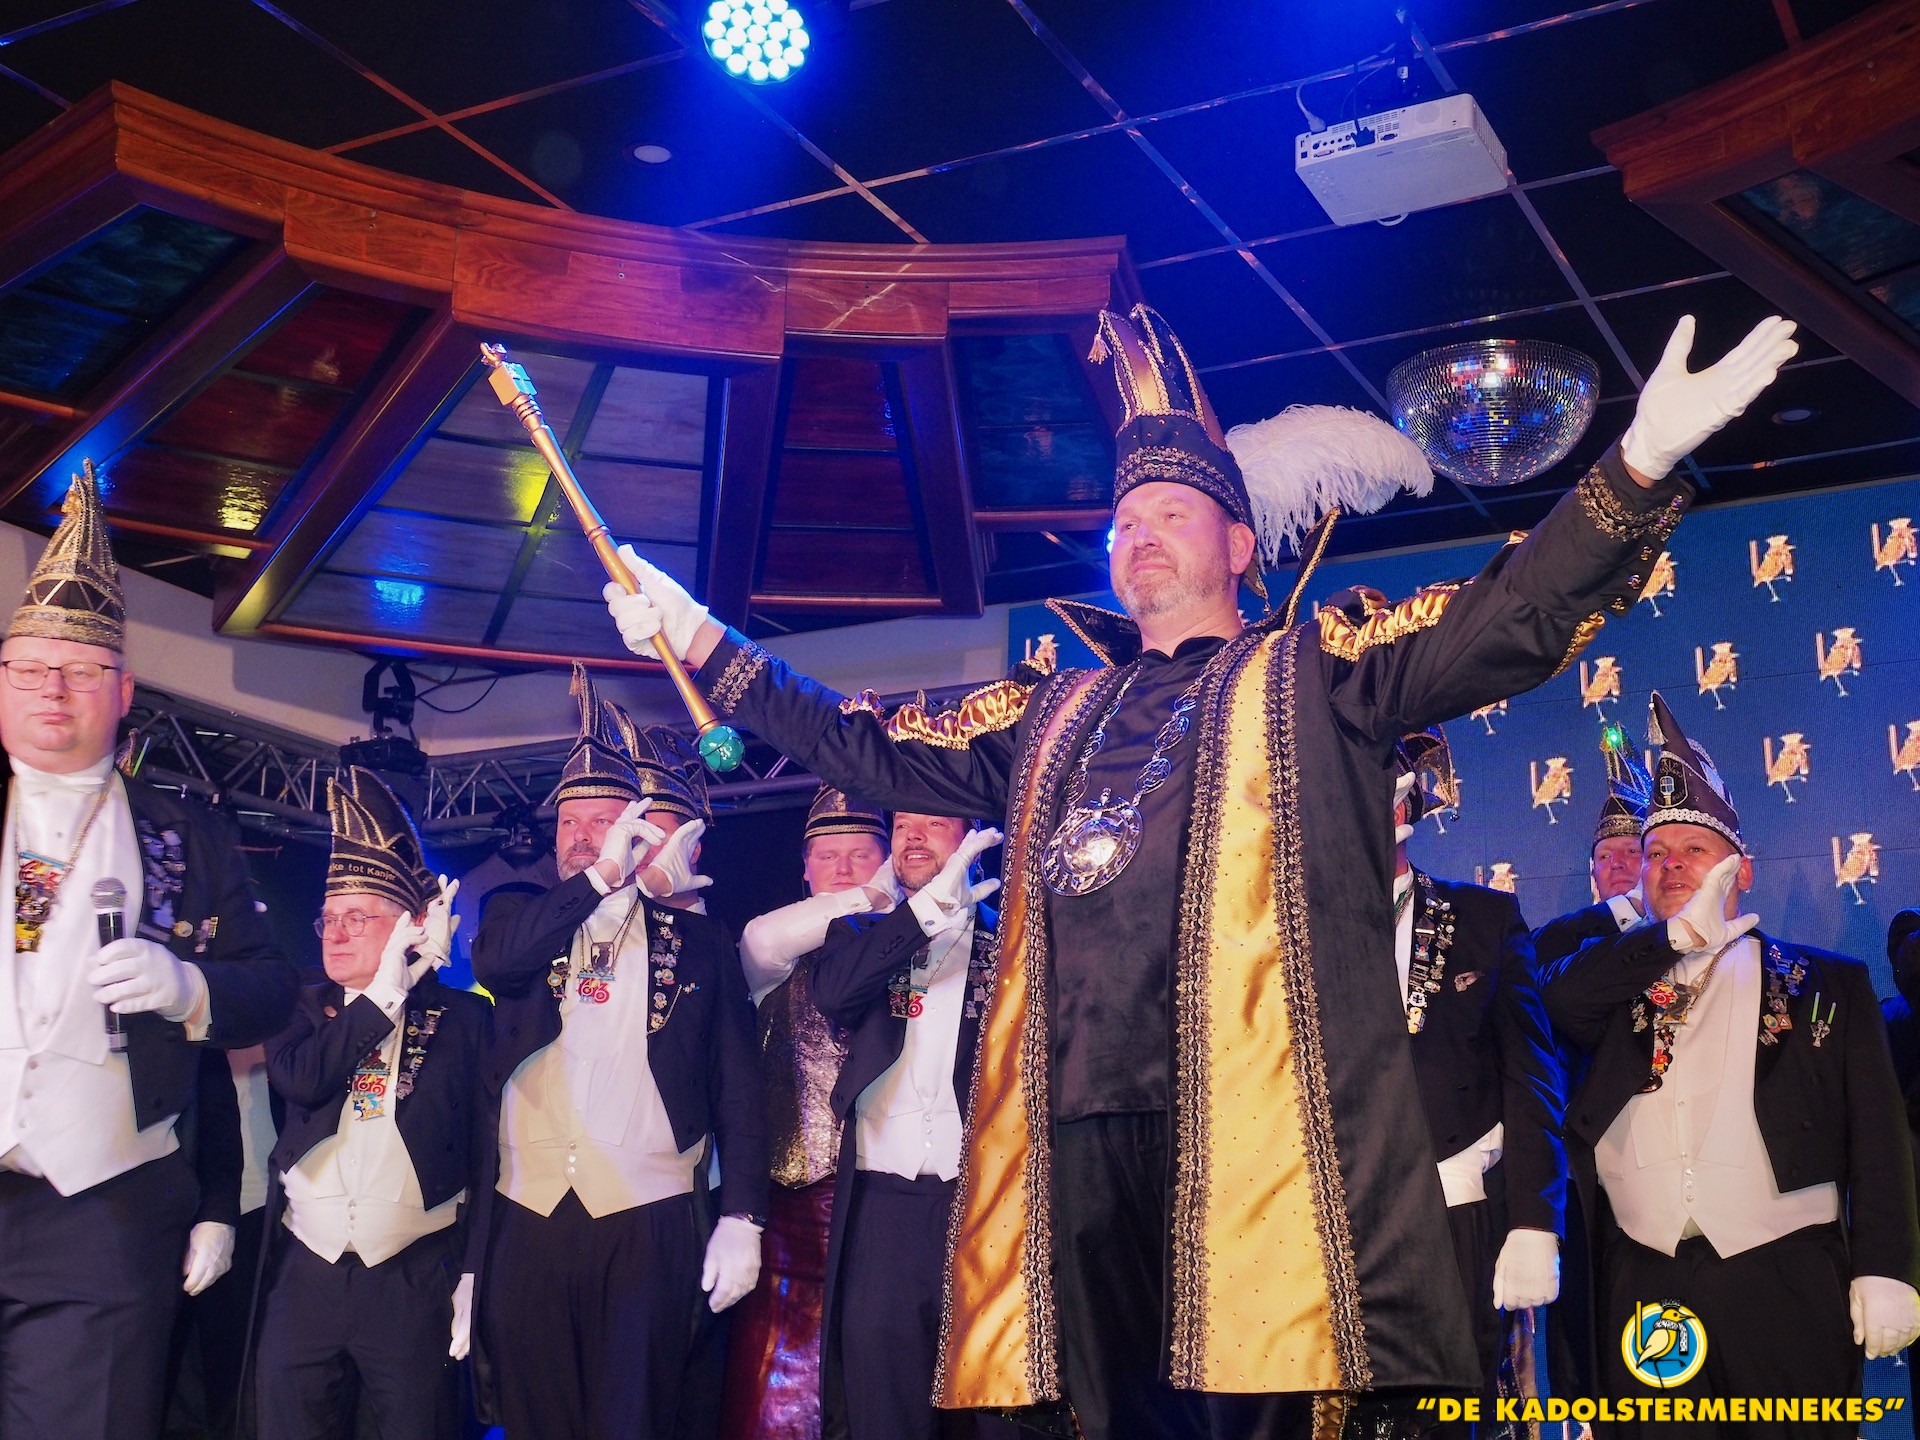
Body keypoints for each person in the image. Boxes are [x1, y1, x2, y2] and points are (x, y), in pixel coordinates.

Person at [604, 306, 1798, 1438]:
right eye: (1123, 522)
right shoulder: (1053, 712)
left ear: (1237, 543)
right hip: (1069, 1134)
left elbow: (1505, 619)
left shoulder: (1317, 673)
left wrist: (1637, 464)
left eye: (1170, 512)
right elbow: (866, 744)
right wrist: (702, 637)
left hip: (1247, 1125)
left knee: (1260, 1405)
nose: (1138, 535)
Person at [0, 463, 297, 1438]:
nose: (54, 688)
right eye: (30, 666)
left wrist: (188, 989)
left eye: (82, 670)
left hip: (105, 1205)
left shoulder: (187, 834)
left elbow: (268, 991)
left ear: (123, 690)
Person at [1540, 693, 1920, 1436]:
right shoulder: (1611, 982)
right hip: (1644, 1287)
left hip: (1784, 1281)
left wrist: (1887, 1269)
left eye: (1694, 851)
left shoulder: (1826, 984)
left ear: (1741, 871)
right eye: (1656, 854)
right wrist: (1671, 938)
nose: (1671, 865)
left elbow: (1881, 1142)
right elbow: (1553, 1002)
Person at [472, 664, 765, 1440]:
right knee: (536, 1422)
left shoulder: (698, 942)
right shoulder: (516, 918)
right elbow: (498, 965)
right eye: (568, 822)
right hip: (528, 1217)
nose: (579, 835)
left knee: (636, 1421)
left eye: (600, 821)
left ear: (636, 829)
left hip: (647, 1219)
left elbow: (740, 1094)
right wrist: (598, 878)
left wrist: (743, 1215)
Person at [255, 768, 488, 1440]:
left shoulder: (464, 1019)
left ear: (408, 927)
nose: (335, 933)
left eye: (357, 918)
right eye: (328, 919)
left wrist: (474, 1270)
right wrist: (385, 995)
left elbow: (487, 1156)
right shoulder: (298, 1004)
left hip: (412, 1272)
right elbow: (304, 1080)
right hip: (308, 1269)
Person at [1390, 728, 1564, 1433]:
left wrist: (1533, 1220)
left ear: (1404, 807)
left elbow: (1532, 1074)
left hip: (1456, 1210)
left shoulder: (1483, 918)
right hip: (1324, 1223)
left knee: (1460, 1413)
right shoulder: (1286, 928)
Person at [811, 812, 1005, 1440]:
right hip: (883, 1206)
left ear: (973, 838)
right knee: (884, 1404)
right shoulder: (860, 932)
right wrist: (925, 913)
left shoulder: (1016, 940)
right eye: (901, 826)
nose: (913, 837)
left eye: (934, 823)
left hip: (986, 1204)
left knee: (993, 1404)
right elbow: (835, 994)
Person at [720, 785, 895, 1440]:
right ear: (804, 868)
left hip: (887, 1202)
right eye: (827, 856)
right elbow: (764, 934)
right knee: (770, 1399)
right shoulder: (771, 956)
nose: (843, 869)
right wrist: (881, 892)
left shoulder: (916, 946)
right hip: (793, 1211)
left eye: (860, 855)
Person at [1533, 732, 1655, 976]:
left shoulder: (1683, 931)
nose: (1616, 863)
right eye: (1604, 857)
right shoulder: (1569, 947)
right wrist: (1626, 908)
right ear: (1594, 876)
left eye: (1632, 851)